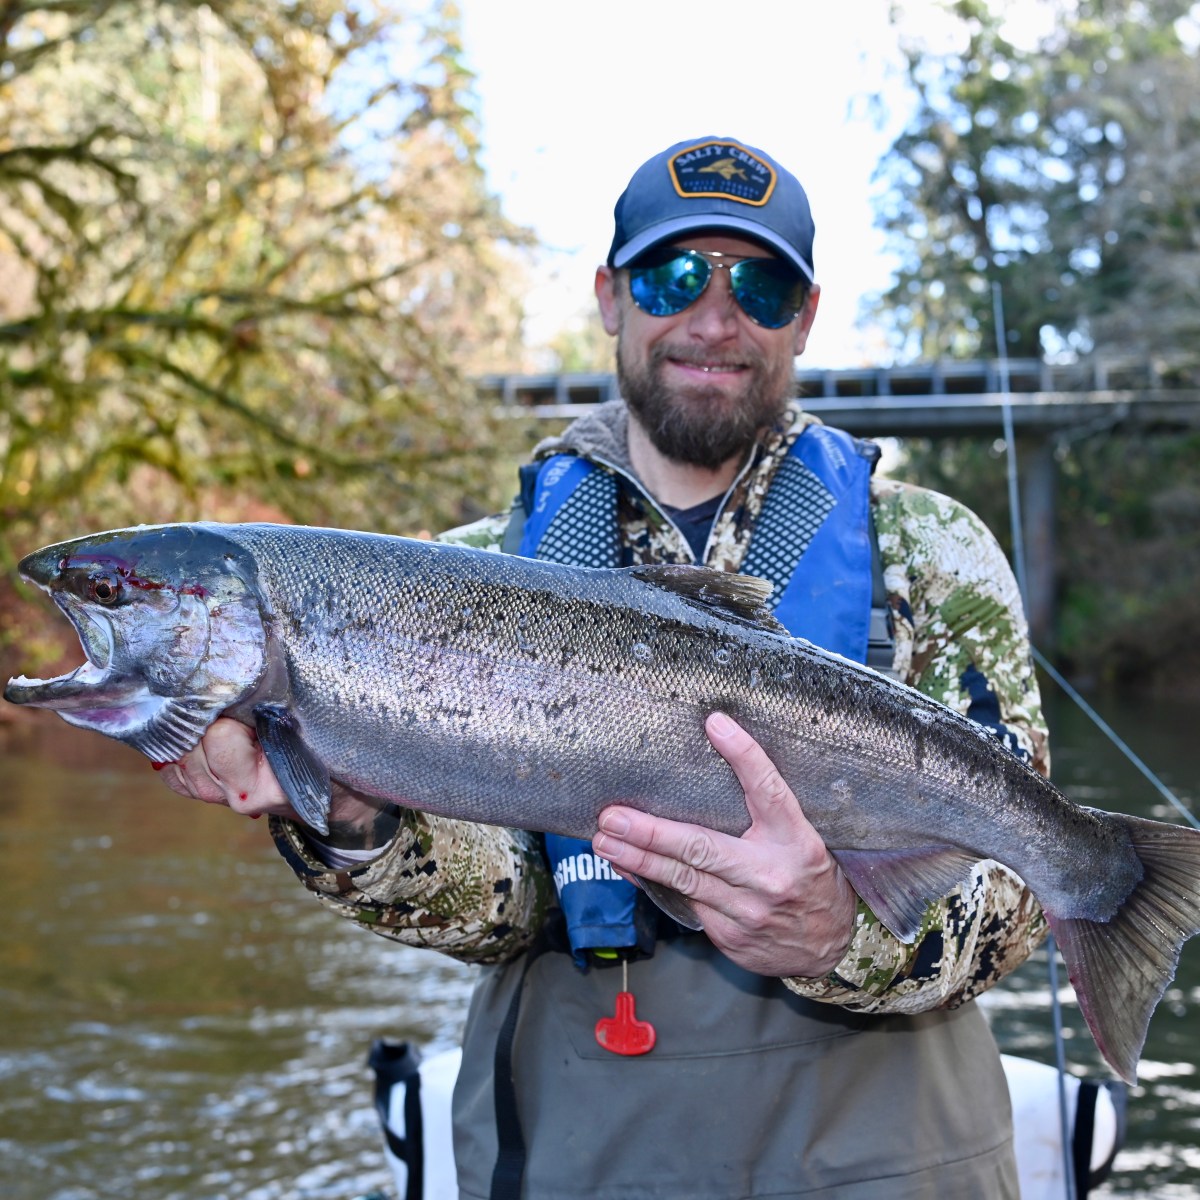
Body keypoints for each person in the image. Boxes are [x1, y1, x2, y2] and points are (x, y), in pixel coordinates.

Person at [160, 136, 1050, 1199]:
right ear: (609, 295)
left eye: (757, 285)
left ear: (804, 317)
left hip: (888, 1163)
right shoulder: (460, 576)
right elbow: (502, 906)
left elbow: (1024, 895)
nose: (715, 318)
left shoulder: (933, 554)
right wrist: (346, 819)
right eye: (675, 275)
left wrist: (840, 932)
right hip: (581, 1152)